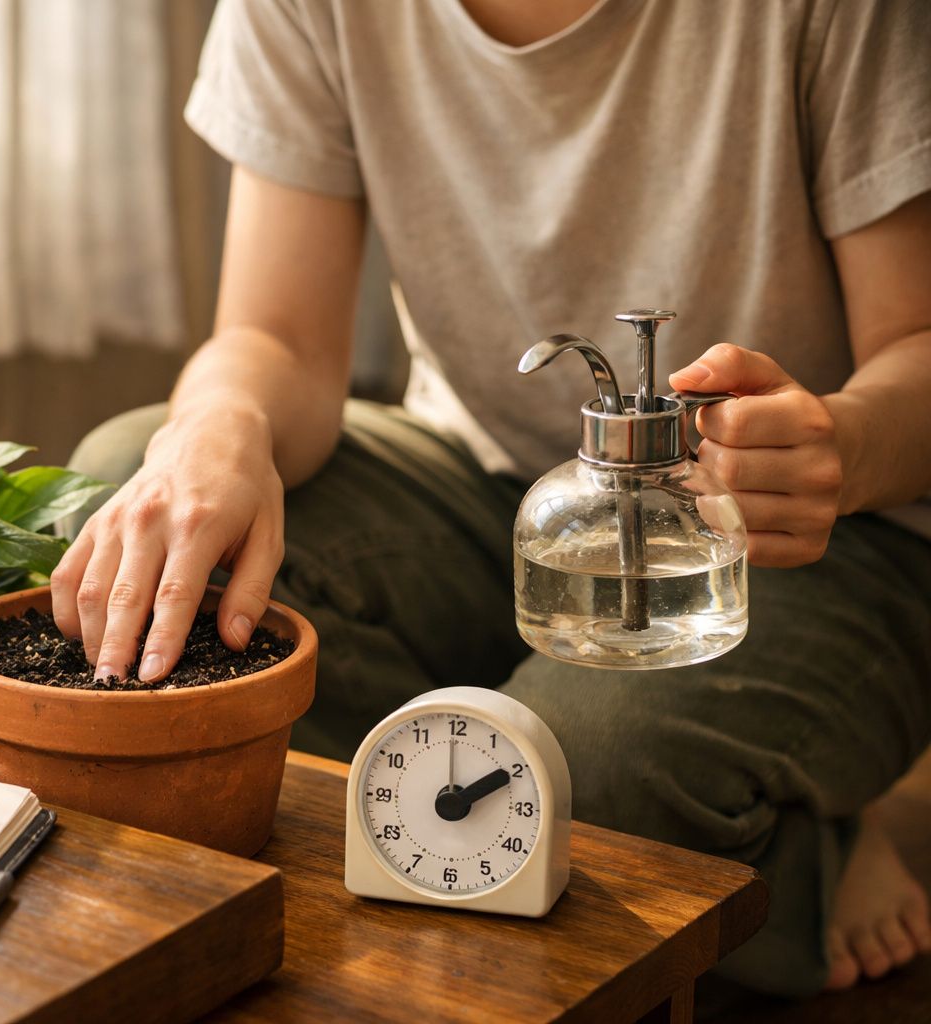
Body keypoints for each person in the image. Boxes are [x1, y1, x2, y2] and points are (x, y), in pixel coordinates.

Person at [50, 0, 931, 998]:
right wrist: (214, 428)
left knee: (584, 765)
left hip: (803, 539)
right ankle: (711, 811)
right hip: (482, 488)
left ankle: (779, 851)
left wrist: (843, 445)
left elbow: (917, 346)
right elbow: (279, 338)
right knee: (127, 490)